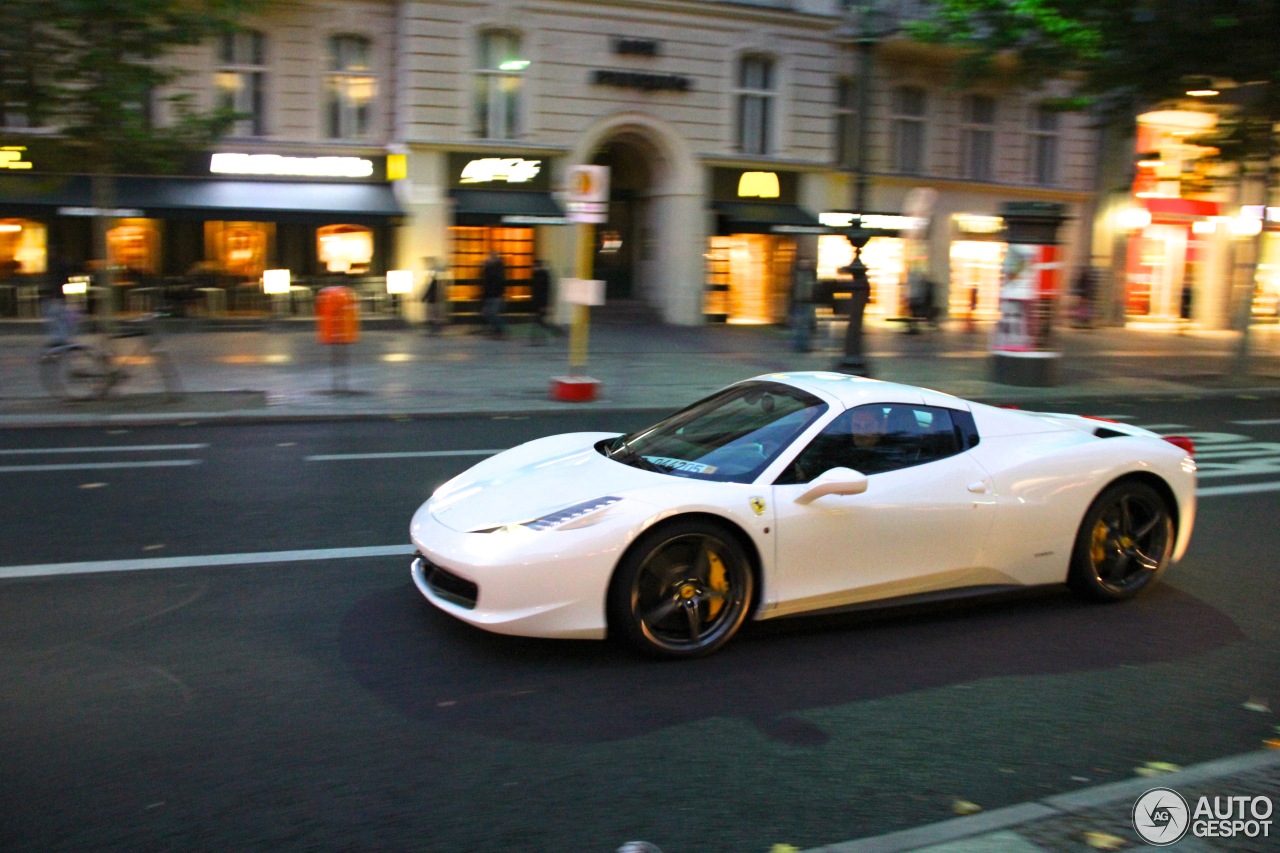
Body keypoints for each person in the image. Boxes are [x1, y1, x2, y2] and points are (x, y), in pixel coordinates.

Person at [789, 256, 817, 353]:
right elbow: (792, 290)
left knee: (806, 325)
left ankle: (805, 346)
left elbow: (814, 288)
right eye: (803, 263)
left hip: (808, 303)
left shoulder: (812, 274)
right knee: (799, 326)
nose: (804, 264)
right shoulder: (796, 275)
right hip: (798, 302)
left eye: (806, 262)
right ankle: (798, 346)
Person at [527, 258, 559, 345]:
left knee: (539, 322)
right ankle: (538, 338)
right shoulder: (538, 275)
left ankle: (536, 339)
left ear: (537, 267)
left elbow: (543, 292)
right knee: (539, 322)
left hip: (540, 304)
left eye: (533, 267)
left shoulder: (542, 277)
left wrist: (544, 305)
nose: (532, 268)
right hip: (538, 303)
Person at [480, 251, 507, 339]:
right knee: (488, 314)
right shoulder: (490, 268)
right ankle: (496, 331)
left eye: (490, 258)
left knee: (493, 314)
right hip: (490, 295)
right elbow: (486, 282)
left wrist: (487, 267)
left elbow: (496, 281)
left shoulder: (497, 268)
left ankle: (501, 331)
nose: (488, 259)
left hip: (495, 295)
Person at [420, 256, 446, 335]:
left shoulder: (434, 280)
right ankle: (436, 326)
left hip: (433, 299)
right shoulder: (436, 279)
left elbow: (430, 289)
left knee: (433, 313)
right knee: (435, 313)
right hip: (434, 299)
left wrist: (424, 297)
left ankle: (435, 327)